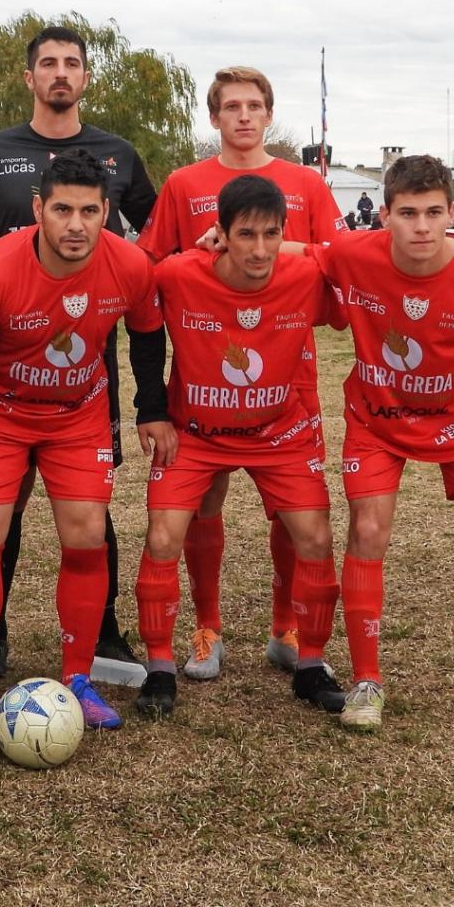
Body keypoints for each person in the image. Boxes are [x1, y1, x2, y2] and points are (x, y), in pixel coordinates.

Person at [0, 150, 166, 731]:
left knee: (85, 538)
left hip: (77, 415)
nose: (75, 225)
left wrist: (151, 408)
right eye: (61, 210)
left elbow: (147, 334)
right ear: (37, 209)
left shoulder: (129, 265)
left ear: (107, 211)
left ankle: (78, 676)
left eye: (88, 211)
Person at [295, 155, 454, 733]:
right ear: (385, 216)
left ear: (453, 212)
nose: (421, 227)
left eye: (433, 213)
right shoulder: (354, 254)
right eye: (407, 214)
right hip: (377, 418)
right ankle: (367, 682)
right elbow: (297, 252)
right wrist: (218, 240)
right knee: (368, 530)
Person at [0, 26, 159, 682]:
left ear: (85, 77)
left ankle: (104, 636)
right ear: (29, 77)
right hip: (4, 365)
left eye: (72, 63)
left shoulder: (117, 153)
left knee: (88, 514)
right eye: (48, 63)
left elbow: (157, 233)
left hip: (85, 370)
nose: (60, 73)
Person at [137, 66, 345, 683]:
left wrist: (286, 253)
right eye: (232, 106)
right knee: (201, 501)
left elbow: (338, 264)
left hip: (288, 372)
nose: (244, 116)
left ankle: (289, 627)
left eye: (255, 105)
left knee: (294, 514)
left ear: (269, 113)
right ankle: (206, 626)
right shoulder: (184, 183)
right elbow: (150, 272)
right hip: (207, 367)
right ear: (215, 116)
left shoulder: (304, 183)